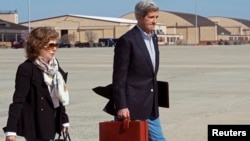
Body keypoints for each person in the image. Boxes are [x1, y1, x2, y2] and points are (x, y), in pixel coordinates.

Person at [3, 26, 70, 141]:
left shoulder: (54, 66)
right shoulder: (26, 68)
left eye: (56, 45)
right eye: (50, 45)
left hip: (52, 120)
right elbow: (18, 101)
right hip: (36, 124)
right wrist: (11, 130)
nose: (54, 49)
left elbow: (58, 96)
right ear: (37, 46)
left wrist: (64, 119)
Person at [112, 0, 166, 141]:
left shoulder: (153, 38)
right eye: (151, 17)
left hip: (151, 103)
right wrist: (122, 106)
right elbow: (119, 77)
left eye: (156, 17)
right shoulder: (127, 41)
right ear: (140, 17)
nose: (154, 21)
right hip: (133, 106)